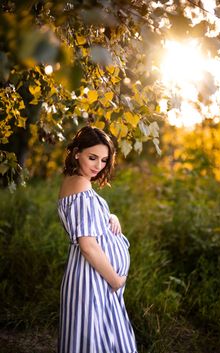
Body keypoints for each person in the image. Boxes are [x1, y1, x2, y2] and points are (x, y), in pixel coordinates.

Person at [57, 126, 138, 353]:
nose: (98, 166)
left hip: (93, 277)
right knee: (95, 342)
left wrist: (111, 216)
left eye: (103, 160)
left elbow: (87, 218)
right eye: (92, 158)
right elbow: (88, 245)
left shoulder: (78, 183)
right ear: (76, 153)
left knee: (100, 339)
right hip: (91, 277)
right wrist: (115, 280)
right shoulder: (80, 184)